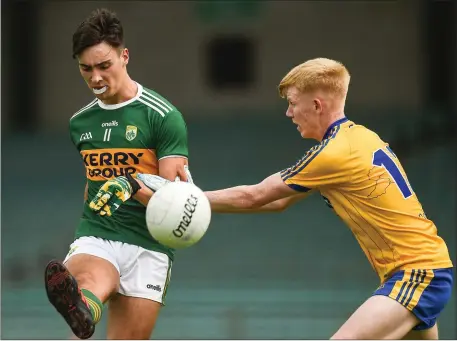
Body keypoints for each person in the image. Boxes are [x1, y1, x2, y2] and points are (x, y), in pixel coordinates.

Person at [131, 58, 454, 339]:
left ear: (317, 105)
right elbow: (277, 201)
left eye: (293, 102)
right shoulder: (361, 137)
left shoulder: (333, 152)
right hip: (421, 270)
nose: (288, 112)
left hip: (417, 272)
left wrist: (182, 197)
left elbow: (256, 195)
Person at [44, 8, 191, 340]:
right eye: (86, 69)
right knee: (86, 288)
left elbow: (173, 200)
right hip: (98, 234)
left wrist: (131, 184)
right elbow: (92, 180)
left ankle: (85, 310)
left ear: (124, 57)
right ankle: (81, 308)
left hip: (149, 245)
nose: (95, 77)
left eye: (103, 66)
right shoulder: (79, 122)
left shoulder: (163, 117)